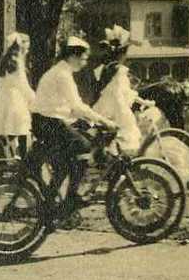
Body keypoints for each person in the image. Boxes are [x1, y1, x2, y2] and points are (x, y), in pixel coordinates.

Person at [30, 36, 117, 216]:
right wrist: (104, 121)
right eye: (84, 58)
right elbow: (76, 105)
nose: (85, 63)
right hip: (48, 122)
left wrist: (90, 121)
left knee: (65, 163)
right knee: (83, 147)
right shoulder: (62, 75)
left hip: (46, 120)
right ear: (73, 56)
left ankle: (51, 203)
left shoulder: (60, 71)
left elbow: (66, 107)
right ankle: (71, 198)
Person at [92, 26, 149, 154]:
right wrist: (144, 103)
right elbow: (123, 94)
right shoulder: (119, 71)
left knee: (111, 143)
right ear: (122, 54)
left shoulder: (106, 68)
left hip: (104, 108)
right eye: (126, 53)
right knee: (127, 137)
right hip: (116, 111)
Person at [0, 32, 35, 157]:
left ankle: (4, 158)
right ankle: (24, 162)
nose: (28, 49)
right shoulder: (18, 61)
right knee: (22, 131)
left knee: (6, 131)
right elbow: (23, 84)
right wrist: (35, 99)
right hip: (14, 100)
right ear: (22, 45)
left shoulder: (4, 60)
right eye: (27, 46)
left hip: (1, 98)